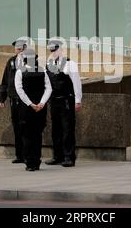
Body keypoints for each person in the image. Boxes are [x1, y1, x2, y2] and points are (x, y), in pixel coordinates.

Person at [44, 39, 82, 168]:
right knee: (56, 129)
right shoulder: (49, 64)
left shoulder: (70, 63)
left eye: (55, 49)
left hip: (66, 100)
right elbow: (47, 84)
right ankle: (58, 156)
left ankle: (69, 157)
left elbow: (77, 82)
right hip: (54, 100)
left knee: (67, 129)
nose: (53, 52)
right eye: (51, 50)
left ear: (60, 49)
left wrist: (78, 100)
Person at [15, 48, 52, 171]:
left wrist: (30, 104)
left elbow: (19, 90)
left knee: (27, 136)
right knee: (37, 136)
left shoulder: (20, 71)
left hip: (26, 110)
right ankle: (36, 162)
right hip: (40, 109)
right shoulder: (43, 71)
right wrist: (41, 103)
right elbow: (49, 88)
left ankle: (30, 163)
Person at [0, 38, 28, 164]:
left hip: (25, 100)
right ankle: (19, 155)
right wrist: (2, 97)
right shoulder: (11, 61)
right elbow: (5, 80)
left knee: (25, 126)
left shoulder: (30, 61)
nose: (18, 51)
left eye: (21, 49)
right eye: (17, 49)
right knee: (16, 127)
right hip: (13, 99)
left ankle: (27, 154)